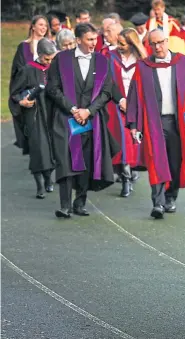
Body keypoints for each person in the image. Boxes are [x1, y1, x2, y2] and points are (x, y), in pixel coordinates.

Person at [126, 29, 185, 219]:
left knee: (175, 162)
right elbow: (135, 97)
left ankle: (171, 197)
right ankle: (158, 203)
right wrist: (134, 124)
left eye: (161, 42)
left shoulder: (184, 63)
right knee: (156, 160)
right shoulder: (143, 67)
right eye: (153, 44)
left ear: (167, 40)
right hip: (154, 122)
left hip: (178, 122)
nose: (158, 47)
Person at [47, 23, 119, 218]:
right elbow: (52, 88)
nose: (93, 43)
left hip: (91, 119)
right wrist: (72, 109)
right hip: (65, 117)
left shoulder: (102, 61)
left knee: (86, 160)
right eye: (89, 39)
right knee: (65, 159)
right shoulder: (61, 59)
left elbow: (106, 92)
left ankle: (80, 203)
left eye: (95, 39)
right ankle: (64, 205)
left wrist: (88, 111)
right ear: (78, 40)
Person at [10, 38, 57, 199]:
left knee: (51, 149)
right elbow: (14, 93)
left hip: (51, 114)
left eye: (51, 59)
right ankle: (40, 186)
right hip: (34, 114)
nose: (48, 62)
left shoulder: (54, 69)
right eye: (46, 59)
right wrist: (22, 101)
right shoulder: (27, 70)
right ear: (39, 54)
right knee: (38, 150)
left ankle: (48, 179)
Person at [107, 28, 148, 197]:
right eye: (118, 43)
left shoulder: (143, 60)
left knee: (134, 143)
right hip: (116, 105)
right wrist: (120, 100)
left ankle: (132, 172)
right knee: (121, 143)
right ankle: (125, 178)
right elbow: (107, 81)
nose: (119, 46)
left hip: (137, 105)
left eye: (123, 44)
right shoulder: (111, 57)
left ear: (132, 44)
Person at [10, 15, 50, 150]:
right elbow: (18, 71)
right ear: (33, 26)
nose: (43, 28)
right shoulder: (24, 47)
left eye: (45, 25)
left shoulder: (51, 45)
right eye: (40, 25)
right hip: (30, 92)